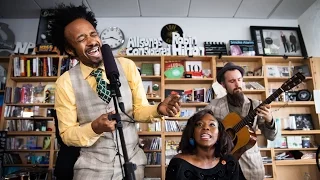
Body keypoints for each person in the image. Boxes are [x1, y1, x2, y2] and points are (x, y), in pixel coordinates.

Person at [50, 3, 181, 180]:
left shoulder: (127, 66)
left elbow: (138, 110)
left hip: (132, 165)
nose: (92, 42)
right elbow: (66, 134)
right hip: (91, 169)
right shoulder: (65, 82)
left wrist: (158, 110)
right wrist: (94, 128)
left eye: (93, 34)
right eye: (81, 39)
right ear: (70, 49)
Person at [204, 62, 277, 180]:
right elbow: (200, 127)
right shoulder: (213, 106)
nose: (237, 84)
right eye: (232, 81)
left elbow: (271, 136)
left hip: (251, 166)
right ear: (223, 84)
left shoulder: (256, 105)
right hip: (221, 164)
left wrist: (270, 120)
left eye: (239, 79)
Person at [165, 109, 239, 180]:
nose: (206, 127)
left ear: (219, 134)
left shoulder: (230, 163)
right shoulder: (178, 164)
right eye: (199, 124)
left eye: (212, 124)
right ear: (192, 133)